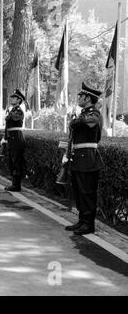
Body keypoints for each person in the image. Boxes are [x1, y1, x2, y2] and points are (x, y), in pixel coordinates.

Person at [64, 83, 104, 236]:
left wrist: (75, 120)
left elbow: (86, 121)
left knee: (87, 192)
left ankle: (89, 224)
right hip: (79, 159)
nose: (78, 98)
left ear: (88, 98)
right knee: (80, 192)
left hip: (88, 159)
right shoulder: (85, 113)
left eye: (80, 95)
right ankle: (82, 220)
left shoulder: (94, 113)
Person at [0, 89, 26, 192]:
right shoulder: (12, 110)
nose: (12, 99)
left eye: (14, 98)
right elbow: (7, 125)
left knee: (16, 163)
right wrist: (5, 138)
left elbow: (13, 118)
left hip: (17, 139)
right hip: (11, 139)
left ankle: (17, 185)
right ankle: (14, 183)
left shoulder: (19, 110)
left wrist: (8, 115)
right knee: (12, 162)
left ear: (19, 100)